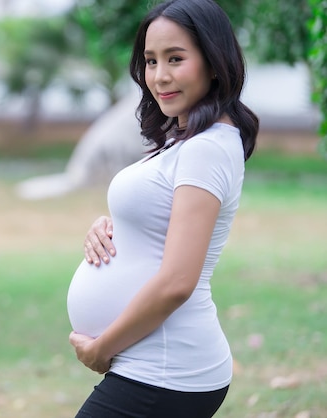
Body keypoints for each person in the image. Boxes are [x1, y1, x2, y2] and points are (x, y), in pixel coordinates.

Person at [65, 0, 259, 416]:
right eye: (151, 61)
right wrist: (114, 226)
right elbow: (159, 220)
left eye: (176, 59)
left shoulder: (207, 148)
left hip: (167, 371)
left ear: (214, 61)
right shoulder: (187, 140)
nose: (160, 76)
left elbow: (177, 281)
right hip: (154, 366)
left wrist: (103, 348)